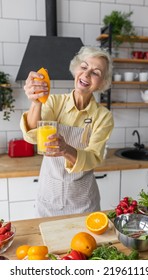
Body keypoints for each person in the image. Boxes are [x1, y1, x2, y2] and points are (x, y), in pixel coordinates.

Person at [20, 46, 114, 217]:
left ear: (103, 83)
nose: (86, 74)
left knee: (84, 243)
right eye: (84, 67)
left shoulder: (103, 116)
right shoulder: (54, 102)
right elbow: (32, 135)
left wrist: (66, 149)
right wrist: (36, 102)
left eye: (96, 72)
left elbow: (93, 157)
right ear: (76, 69)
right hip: (48, 198)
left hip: (83, 202)